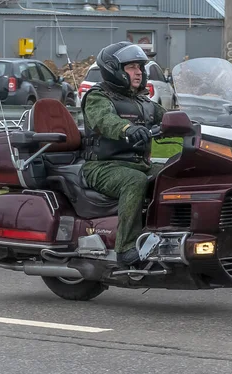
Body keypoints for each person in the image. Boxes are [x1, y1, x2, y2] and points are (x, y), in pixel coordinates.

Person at [80, 41, 166, 267]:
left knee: (176, 174)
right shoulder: (98, 96)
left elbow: (171, 118)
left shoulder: (143, 102)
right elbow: (105, 120)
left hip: (138, 163)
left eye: (140, 67)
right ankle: (126, 248)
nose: (138, 72)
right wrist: (127, 129)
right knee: (134, 181)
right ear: (114, 70)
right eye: (131, 67)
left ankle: (165, 235)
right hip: (103, 166)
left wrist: (198, 124)